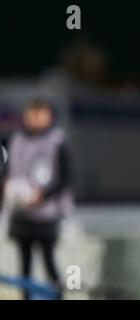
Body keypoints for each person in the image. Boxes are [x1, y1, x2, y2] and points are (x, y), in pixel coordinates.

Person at [2, 99, 74, 299]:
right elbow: (7, 171)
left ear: (49, 116)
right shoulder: (15, 140)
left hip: (48, 216)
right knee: (24, 267)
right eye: (31, 113)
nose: (34, 118)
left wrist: (42, 196)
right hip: (21, 214)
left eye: (39, 113)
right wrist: (8, 187)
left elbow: (66, 178)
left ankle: (59, 296)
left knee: (50, 263)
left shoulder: (57, 140)